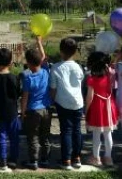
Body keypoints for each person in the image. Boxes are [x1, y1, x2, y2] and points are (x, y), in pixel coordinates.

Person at [49, 38, 84, 170]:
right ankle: (77, 158)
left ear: (61, 51)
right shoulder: (78, 67)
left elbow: (53, 88)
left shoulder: (56, 67)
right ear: (75, 52)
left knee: (66, 131)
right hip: (78, 102)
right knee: (77, 130)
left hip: (62, 102)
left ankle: (66, 160)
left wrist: (52, 101)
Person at [20, 37, 52, 170]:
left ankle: (33, 161)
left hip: (33, 111)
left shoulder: (28, 78)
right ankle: (45, 159)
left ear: (28, 63)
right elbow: (43, 56)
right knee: (45, 136)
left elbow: (25, 97)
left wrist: (22, 112)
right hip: (46, 109)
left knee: (33, 136)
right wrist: (39, 42)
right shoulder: (45, 71)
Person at [0, 48, 20, 170]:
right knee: (14, 136)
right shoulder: (14, 78)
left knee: (1, 136)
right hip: (12, 112)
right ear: (11, 62)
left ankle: (2, 159)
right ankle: (14, 159)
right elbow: (18, 94)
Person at [85, 52, 118, 167]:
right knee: (108, 133)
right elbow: (112, 64)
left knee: (96, 134)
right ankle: (108, 158)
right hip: (109, 106)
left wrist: (86, 111)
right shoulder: (110, 75)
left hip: (97, 108)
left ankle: (96, 158)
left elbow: (89, 97)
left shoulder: (91, 78)